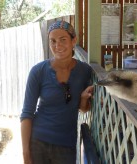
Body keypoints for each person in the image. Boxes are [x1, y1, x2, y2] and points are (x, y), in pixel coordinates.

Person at [20, 20, 94, 164]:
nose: (57, 46)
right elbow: (27, 114)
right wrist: (26, 154)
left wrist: (84, 99)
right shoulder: (38, 71)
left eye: (63, 40)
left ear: (74, 41)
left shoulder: (84, 71)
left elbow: (83, 108)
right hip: (38, 142)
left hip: (66, 145)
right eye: (52, 41)